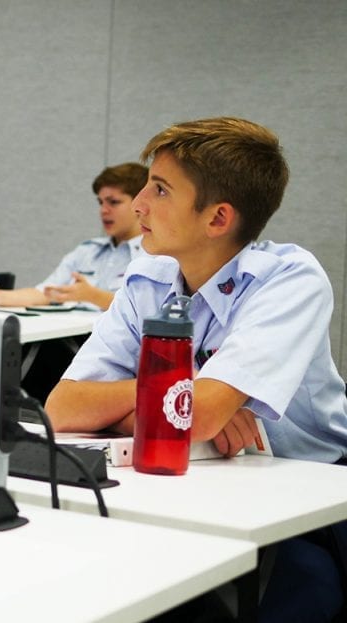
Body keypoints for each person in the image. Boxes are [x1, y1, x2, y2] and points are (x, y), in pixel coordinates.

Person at [46, 117, 347, 622]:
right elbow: (62, 406)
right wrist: (173, 399)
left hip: (306, 494)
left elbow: (199, 418)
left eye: (160, 190)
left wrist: (173, 410)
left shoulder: (290, 281)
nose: (139, 203)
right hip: (190, 480)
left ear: (217, 219)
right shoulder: (148, 276)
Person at [0, 162, 149, 310]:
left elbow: (146, 309)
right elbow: (45, 293)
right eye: (100, 202)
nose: (103, 210)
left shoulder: (154, 255)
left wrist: (92, 296)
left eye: (114, 202)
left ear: (140, 204)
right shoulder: (87, 251)